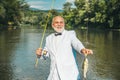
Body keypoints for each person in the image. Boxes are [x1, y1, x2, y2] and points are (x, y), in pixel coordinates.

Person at [36, 16, 93, 80]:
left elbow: (77, 44)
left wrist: (83, 49)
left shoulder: (70, 35)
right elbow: (46, 53)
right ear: (52, 25)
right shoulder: (48, 38)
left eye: (61, 22)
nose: (59, 24)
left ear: (64, 24)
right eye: (57, 22)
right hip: (53, 75)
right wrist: (40, 54)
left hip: (69, 75)